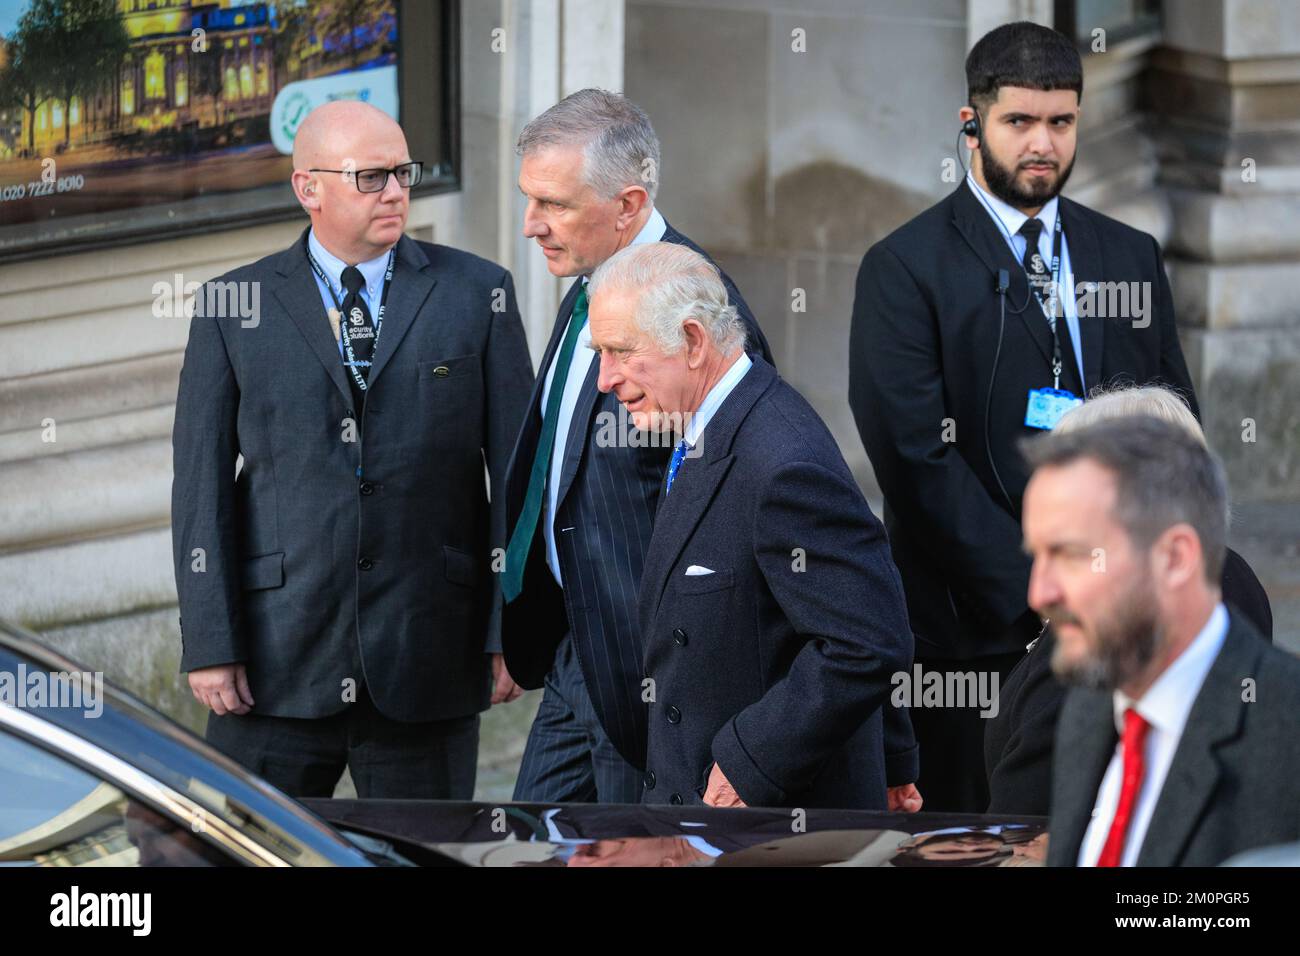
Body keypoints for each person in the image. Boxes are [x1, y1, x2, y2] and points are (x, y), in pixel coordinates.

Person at [848, 21, 1199, 812]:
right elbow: (914, 464)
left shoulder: (1129, 255)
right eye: (1019, 122)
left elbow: (1173, 427)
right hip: (975, 639)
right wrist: (1042, 588)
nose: (1042, 143)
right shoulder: (903, 269)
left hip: (1117, 625)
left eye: (1061, 122)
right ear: (970, 124)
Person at [171, 101, 534, 798]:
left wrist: (508, 629)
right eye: (371, 177)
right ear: (309, 188)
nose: (397, 191)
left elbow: (517, 479)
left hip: (429, 657)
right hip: (275, 663)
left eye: (403, 172)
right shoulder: (232, 305)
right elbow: (200, 490)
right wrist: (211, 643)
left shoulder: (478, 293)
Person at [498, 90, 773, 804]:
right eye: (530, 200)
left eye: (553, 204)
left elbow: (747, 502)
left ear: (627, 205)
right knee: (532, 844)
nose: (531, 225)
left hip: (648, 675)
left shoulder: (699, 312)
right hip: (573, 652)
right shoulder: (590, 283)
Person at [587, 242, 914, 810]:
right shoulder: (710, 423)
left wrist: (752, 761)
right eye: (600, 352)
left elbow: (867, 637)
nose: (604, 379)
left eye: (621, 351)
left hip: (759, 822)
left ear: (692, 341)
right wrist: (895, 759)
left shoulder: (781, 458)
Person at [1018, 416, 1300, 866]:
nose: (1040, 593)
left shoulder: (1285, 736)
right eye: (1036, 556)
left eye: (1070, 555)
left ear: (1174, 558)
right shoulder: (1091, 709)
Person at [984, 385, 1273, 815]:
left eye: (1071, 549)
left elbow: (1024, 822)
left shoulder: (1104, 637)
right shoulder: (1235, 578)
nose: (1038, 593)